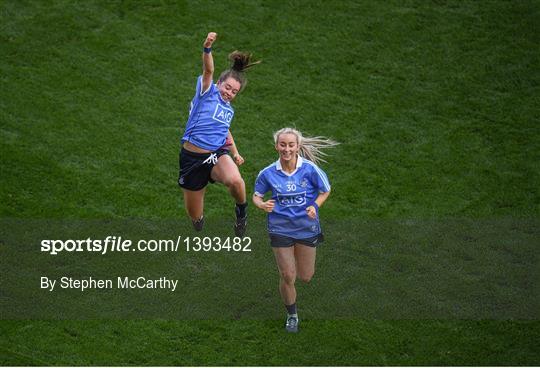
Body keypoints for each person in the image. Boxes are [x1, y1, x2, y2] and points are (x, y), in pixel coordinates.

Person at [253, 127, 338, 333]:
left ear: (298, 147)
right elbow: (256, 195)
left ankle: (289, 275)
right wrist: (262, 204)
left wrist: (315, 206)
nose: (287, 149)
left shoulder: (310, 170)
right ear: (276, 146)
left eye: (291, 145)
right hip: (279, 227)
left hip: (306, 228)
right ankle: (292, 315)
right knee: (288, 275)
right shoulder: (268, 173)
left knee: (306, 276)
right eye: (283, 144)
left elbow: (325, 190)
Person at [178, 32, 259, 235]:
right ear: (219, 83)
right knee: (196, 218)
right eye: (227, 87)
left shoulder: (229, 109)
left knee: (236, 181)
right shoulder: (206, 92)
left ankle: (242, 214)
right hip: (192, 159)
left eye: (234, 92)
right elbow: (208, 70)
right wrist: (207, 48)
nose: (229, 93)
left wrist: (235, 153)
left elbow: (225, 131)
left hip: (216, 154)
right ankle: (198, 219)